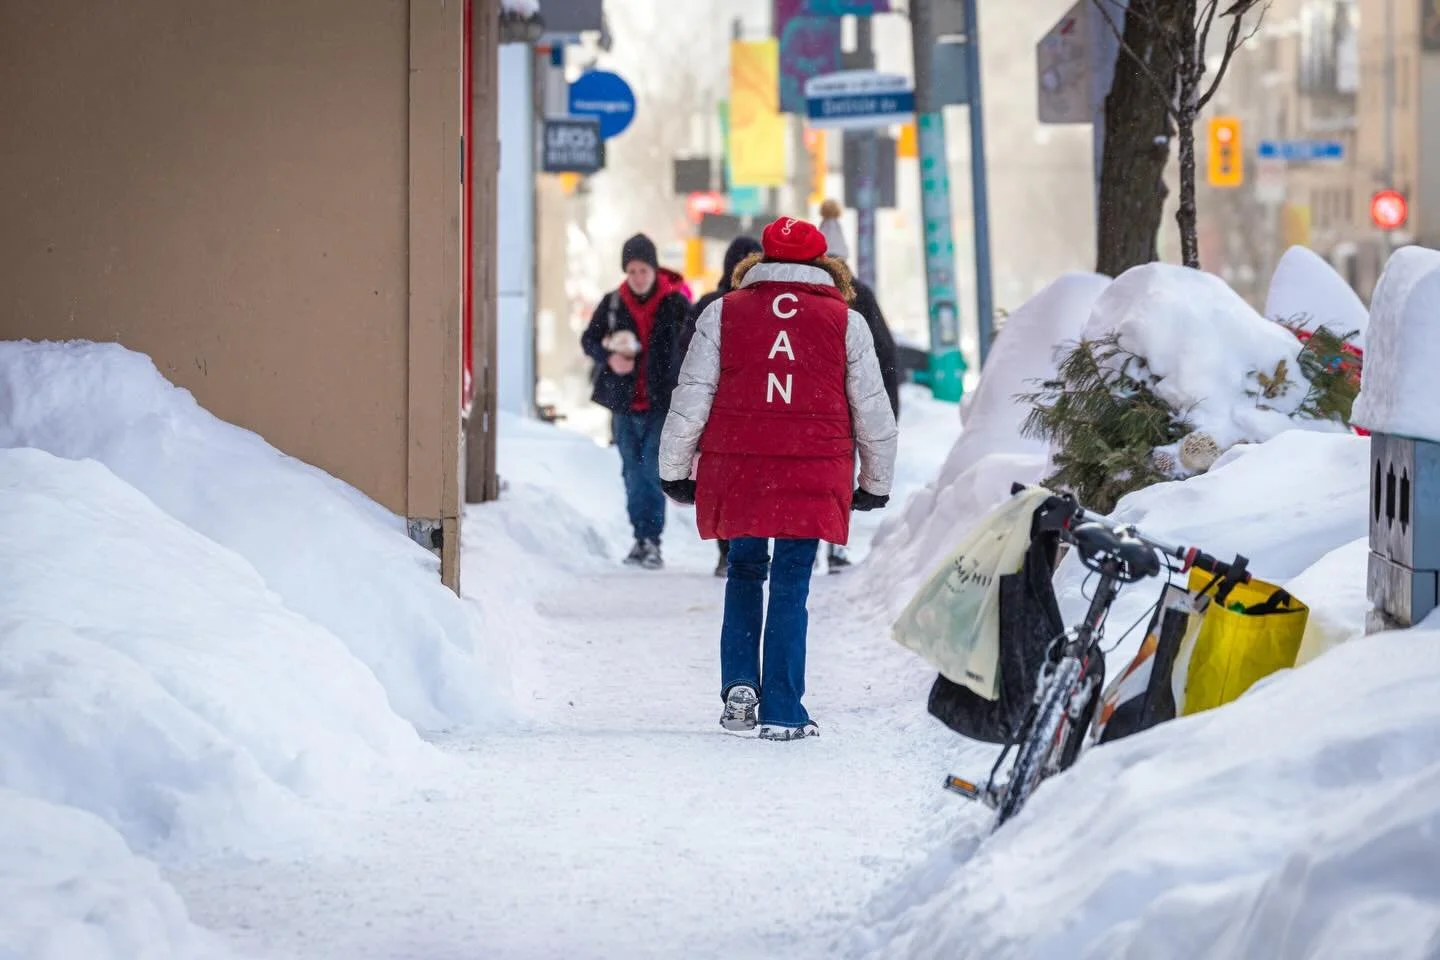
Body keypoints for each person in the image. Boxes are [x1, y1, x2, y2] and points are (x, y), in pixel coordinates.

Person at [658, 215, 898, 740]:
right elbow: (872, 409)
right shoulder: (846, 321)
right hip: (814, 465)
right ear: (821, 263)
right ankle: (785, 708)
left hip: (739, 463)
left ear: (761, 261)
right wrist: (875, 482)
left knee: (745, 568)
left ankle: (741, 684)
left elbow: (691, 395)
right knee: (792, 578)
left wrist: (674, 470)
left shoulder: (723, 313)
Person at [581, 233, 691, 570]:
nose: (638, 277)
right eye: (632, 271)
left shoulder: (675, 304)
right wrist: (609, 358)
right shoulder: (613, 303)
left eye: (643, 270)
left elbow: (692, 347)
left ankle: (651, 539)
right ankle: (640, 538)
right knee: (631, 470)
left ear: (655, 269)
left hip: (662, 403)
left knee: (651, 469)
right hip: (623, 403)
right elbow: (589, 340)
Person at [816, 198, 902, 573]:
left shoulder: (847, 295)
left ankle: (827, 540)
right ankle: (831, 540)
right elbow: (884, 353)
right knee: (835, 475)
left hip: (830, 402)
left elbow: (883, 354)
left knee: (827, 476)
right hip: (841, 402)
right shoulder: (857, 295)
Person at [677, 234, 763, 579]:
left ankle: (729, 551)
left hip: (718, 412)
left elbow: (684, 362)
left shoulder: (710, 306)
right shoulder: (767, 309)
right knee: (749, 483)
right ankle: (743, 548)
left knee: (724, 484)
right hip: (752, 410)